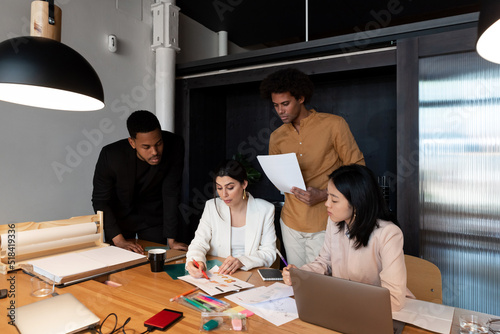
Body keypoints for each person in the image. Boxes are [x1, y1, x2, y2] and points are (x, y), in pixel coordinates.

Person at [260, 67, 365, 268]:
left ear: (300, 98)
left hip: (327, 223)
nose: (280, 111)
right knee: (298, 282)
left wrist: (324, 194)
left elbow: (358, 170)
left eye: (285, 104)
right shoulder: (276, 137)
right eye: (275, 105)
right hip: (290, 222)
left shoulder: (334, 125)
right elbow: (278, 179)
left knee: (326, 286)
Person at [282, 164, 409, 311]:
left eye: (334, 200)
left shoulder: (389, 233)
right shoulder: (335, 222)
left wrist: (345, 299)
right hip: (344, 308)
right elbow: (325, 262)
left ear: (357, 202)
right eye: (327, 196)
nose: (326, 204)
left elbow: (393, 298)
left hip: (381, 311)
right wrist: (299, 274)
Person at [92, 110, 188, 253]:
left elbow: (171, 192)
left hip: (154, 216)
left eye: (159, 143)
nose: (155, 152)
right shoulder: (111, 156)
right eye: (146, 147)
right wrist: (118, 240)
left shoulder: (175, 144)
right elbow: (100, 200)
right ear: (132, 142)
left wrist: (172, 240)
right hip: (119, 219)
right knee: (123, 264)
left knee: (157, 262)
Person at [186, 159, 277, 277]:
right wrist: (196, 260)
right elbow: (199, 243)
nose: (224, 194)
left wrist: (242, 261)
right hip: (218, 274)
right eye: (219, 188)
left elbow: (269, 252)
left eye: (230, 187)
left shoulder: (265, 209)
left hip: (250, 274)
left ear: (244, 184)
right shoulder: (212, 206)